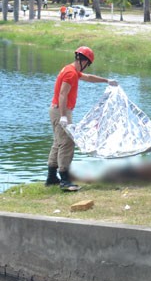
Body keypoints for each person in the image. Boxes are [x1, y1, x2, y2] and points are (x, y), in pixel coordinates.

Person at [46, 46, 118, 191]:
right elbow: (62, 94)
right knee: (67, 143)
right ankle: (65, 180)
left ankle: (51, 177)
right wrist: (64, 116)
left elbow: (89, 78)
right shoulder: (70, 74)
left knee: (58, 143)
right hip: (61, 110)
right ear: (84, 61)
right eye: (88, 64)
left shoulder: (71, 70)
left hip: (58, 110)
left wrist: (106, 80)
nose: (87, 67)